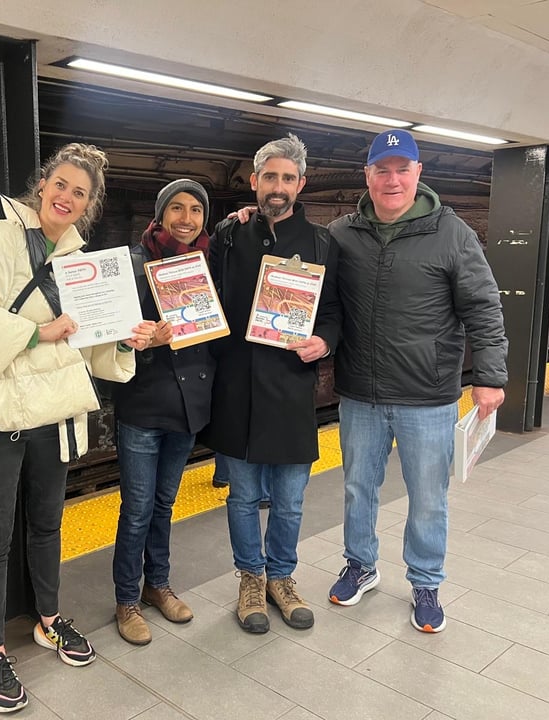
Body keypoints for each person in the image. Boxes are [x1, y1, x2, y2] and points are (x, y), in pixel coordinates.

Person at [0, 143, 154, 714]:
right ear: (42, 186)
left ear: (88, 205)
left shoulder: (83, 257)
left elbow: (88, 340)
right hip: (3, 415)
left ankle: (49, 620)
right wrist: (38, 333)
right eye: (60, 185)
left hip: (55, 413)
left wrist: (124, 337)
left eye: (79, 193)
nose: (66, 197)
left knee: (46, 524)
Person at [326, 129, 507, 633]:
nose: (392, 179)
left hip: (427, 396)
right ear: (367, 176)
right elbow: (308, 280)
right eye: (381, 170)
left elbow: (484, 308)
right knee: (358, 487)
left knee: (428, 496)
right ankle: (360, 565)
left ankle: (426, 582)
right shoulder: (342, 233)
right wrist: (248, 219)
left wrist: (490, 377)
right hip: (359, 391)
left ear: (418, 174)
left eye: (402, 169)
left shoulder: (453, 234)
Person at [203, 134, 340, 633]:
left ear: (300, 184)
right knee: (241, 498)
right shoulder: (230, 236)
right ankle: (251, 580)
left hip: (290, 389)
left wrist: (322, 343)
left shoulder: (323, 243)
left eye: (288, 178)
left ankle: (282, 578)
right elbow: (205, 293)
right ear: (254, 181)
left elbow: (334, 316)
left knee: (290, 499)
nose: (278, 187)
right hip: (236, 388)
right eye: (269, 177)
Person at [111, 179, 216, 645]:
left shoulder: (209, 265)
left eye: (196, 210)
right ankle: (126, 600)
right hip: (142, 403)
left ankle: (158, 585)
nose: (186, 218)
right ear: (160, 214)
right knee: (136, 509)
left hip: (188, 407)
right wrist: (141, 340)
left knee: (163, 504)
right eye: (177, 208)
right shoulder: (132, 266)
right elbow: (106, 336)